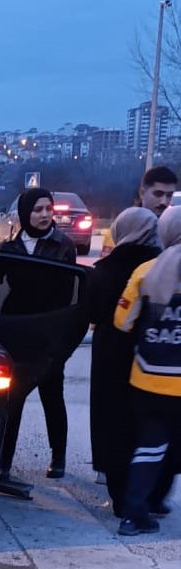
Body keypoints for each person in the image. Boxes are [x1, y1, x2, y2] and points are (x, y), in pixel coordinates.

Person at [0, 186, 78, 485]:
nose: (45, 215)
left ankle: (58, 456)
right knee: (11, 397)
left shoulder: (63, 246)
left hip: (48, 327)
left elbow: (69, 291)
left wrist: (61, 333)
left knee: (52, 393)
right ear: (26, 213)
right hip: (16, 326)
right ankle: (3, 463)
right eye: (38, 210)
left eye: (49, 209)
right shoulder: (11, 248)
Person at [84, 207, 161, 513]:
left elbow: (90, 314)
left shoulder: (104, 270)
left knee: (110, 420)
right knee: (145, 423)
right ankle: (145, 493)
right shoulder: (162, 266)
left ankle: (118, 495)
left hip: (110, 354)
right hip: (152, 355)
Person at [113, 205, 181, 536]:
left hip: (147, 379)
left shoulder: (145, 272)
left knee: (150, 448)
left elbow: (121, 321)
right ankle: (157, 500)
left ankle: (133, 514)